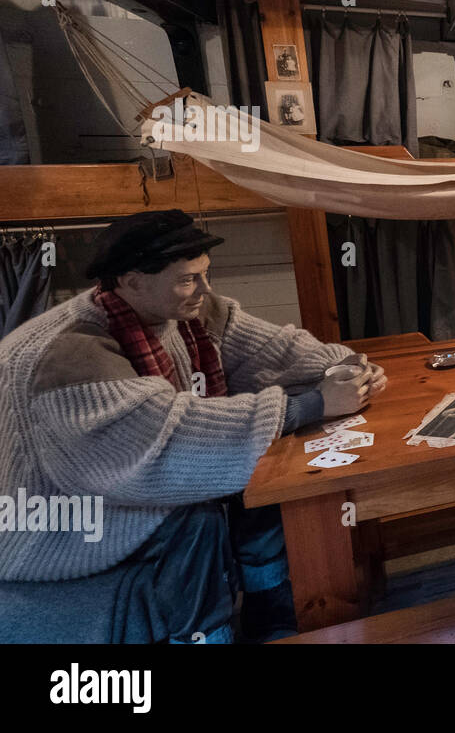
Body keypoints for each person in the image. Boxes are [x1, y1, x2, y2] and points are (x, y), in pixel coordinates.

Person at [0, 209, 386, 643]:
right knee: (196, 517)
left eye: (206, 274)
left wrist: (347, 368)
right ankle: (206, 634)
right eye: (188, 279)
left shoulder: (184, 308)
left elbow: (276, 349)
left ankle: (273, 614)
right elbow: (167, 444)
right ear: (131, 281)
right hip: (61, 514)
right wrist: (310, 405)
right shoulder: (70, 352)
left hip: (115, 481)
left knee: (264, 473)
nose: (204, 289)